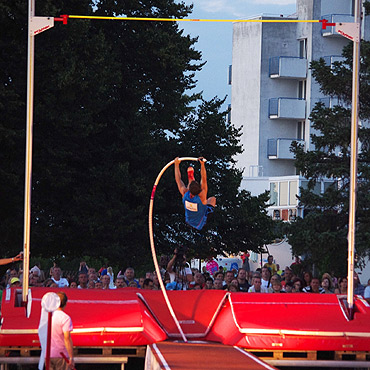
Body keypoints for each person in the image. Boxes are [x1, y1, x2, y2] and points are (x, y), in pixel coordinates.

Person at [174, 157, 216, 230]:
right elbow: (204, 178)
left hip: (189, 220)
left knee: (188, 188)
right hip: (201, 222)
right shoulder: (202, 196)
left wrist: (176, 164)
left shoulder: (185, 193)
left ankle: (190, 179)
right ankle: (191, 179)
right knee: (212, 199)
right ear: (199, 190)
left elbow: (178, 179)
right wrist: (202, 165)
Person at [50, 292, 74, 370]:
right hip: (61, 354)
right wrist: (71, 357)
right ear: (65, 303)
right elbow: (67, 338)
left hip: (48, 354)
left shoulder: (48, 316)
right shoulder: (65, 318)